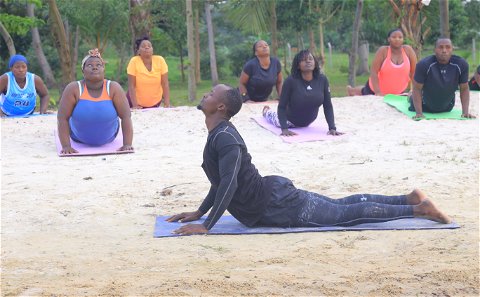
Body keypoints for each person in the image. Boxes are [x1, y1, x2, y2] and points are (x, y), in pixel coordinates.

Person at [166, 84, 451, 235]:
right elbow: (220, 182)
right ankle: (409, 198)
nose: (204, 95)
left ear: (221, 106)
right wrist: (199, 213)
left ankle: (419, 210)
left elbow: (227, 185)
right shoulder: (219, 134)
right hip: (272, 196)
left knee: (342, 215)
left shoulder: (224, 137)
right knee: (340, 206)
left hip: (274, 203)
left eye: (209, 93)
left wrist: (207, 225)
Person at [57, 49, 134, 155]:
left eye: (99, 65)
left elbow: (126, 116)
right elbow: (62, 118)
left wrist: (127, 144)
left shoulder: (113, 88)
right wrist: (66, 146)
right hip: (78, 137)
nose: (94, 67)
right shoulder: (74, 88)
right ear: (83, 71)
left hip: (109, 137)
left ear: (104, 69)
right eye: (89, 65)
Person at [262, 49, 343, 137]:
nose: (308, 61)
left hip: (309, 122)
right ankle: (266, 111)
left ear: (315, 63)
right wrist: (285, 129)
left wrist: (332, 128)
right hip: (289, 121)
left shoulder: (322, 79)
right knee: (272, 116)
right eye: (304, 60)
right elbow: (282, 107)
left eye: (310, 59)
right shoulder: (290, 81)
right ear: (298, 65)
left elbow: (328, 105)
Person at [409, 38, 475, 120]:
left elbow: (464, 88)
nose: (444, 50)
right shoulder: (423, 64)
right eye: (440, 47)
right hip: (424, 106)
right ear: (435, 50)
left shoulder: (461, 64)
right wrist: (419, 113)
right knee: (412, 96)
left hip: (447, 107)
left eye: (448, 47)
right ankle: (409, 96)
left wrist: (465, 112)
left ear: (452, 49)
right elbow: (417, 88)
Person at [347, 28, 417, 96]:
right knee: (363, 91)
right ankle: (351, 90)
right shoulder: (383, 51)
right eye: (394, 37)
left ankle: (353, 90)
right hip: (377, 89)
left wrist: (415, 90)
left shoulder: (408, 51)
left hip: (398, 91)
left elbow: (414, 72)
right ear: (388, 39)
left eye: (400, 37)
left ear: (403, 39)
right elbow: (373, 71)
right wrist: (378, 92)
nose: (397, 39)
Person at [127, 37, 170, 109]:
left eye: (149, 46)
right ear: (138, 51)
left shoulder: (160, 60)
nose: (147, 47)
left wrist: (167, 104)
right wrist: (135, 105)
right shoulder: (134, 61)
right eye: (143, 46)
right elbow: (131, 86)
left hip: (155, 103)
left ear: (152, 50)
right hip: (134, 102)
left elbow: (165, 84)